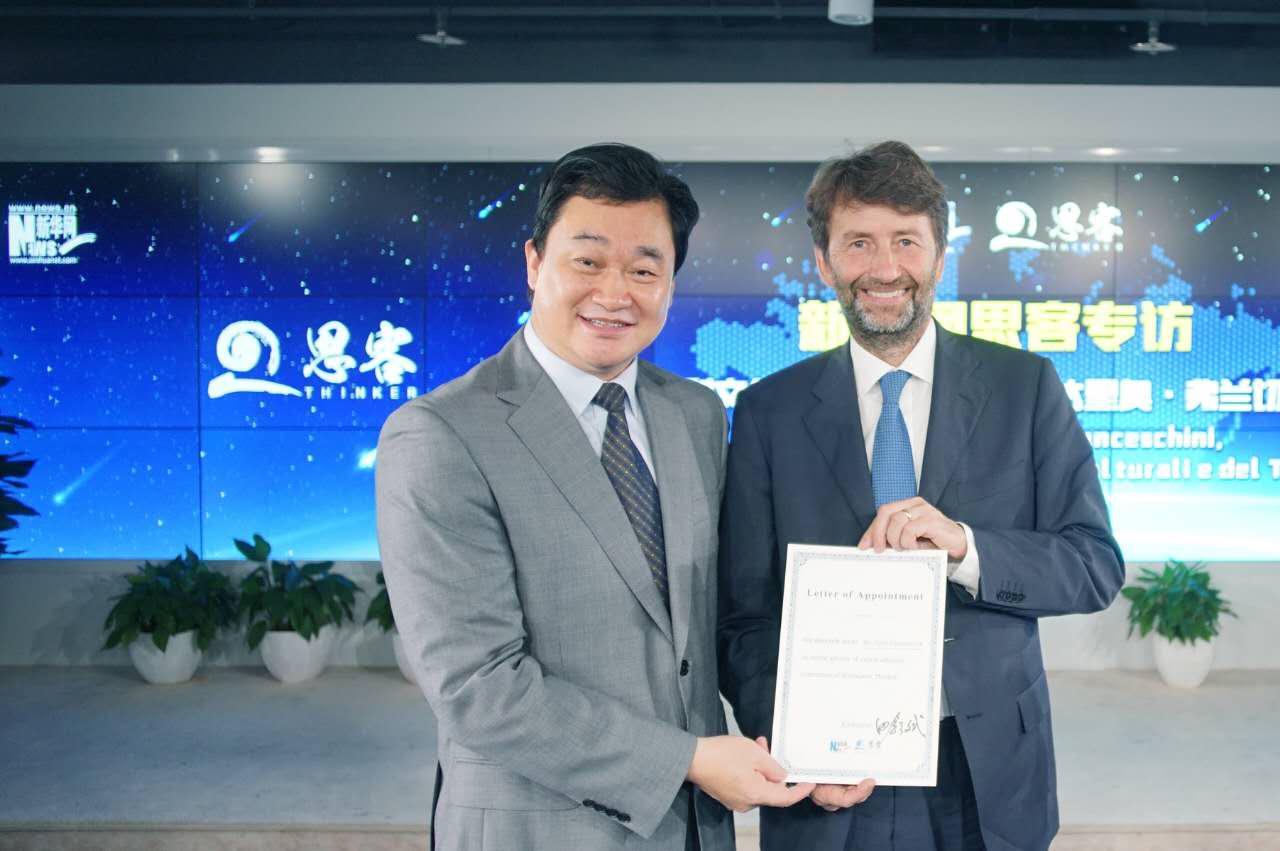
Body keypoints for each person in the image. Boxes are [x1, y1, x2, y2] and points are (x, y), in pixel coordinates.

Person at [376, 142, 812, 851]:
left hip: (696, 831)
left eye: (644, 269)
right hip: (535, 829)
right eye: (587, 261)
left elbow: (714, 620)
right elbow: (480, 688)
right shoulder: (441, 433)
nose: (615, 293)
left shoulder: (695, 413)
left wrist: (820, 741)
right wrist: (689, 760)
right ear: (533, 263)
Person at [717, 140, 1124, 851]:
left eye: (906, 240)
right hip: (827, 780)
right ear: (823, 262)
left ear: (939, 257)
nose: (884, 268)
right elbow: (743, 618)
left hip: (986, 767)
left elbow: (1093, 564)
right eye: (859, 243)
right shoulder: (767, 412)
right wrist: (794, 744)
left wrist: (967, 549)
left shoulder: (1024, 388)